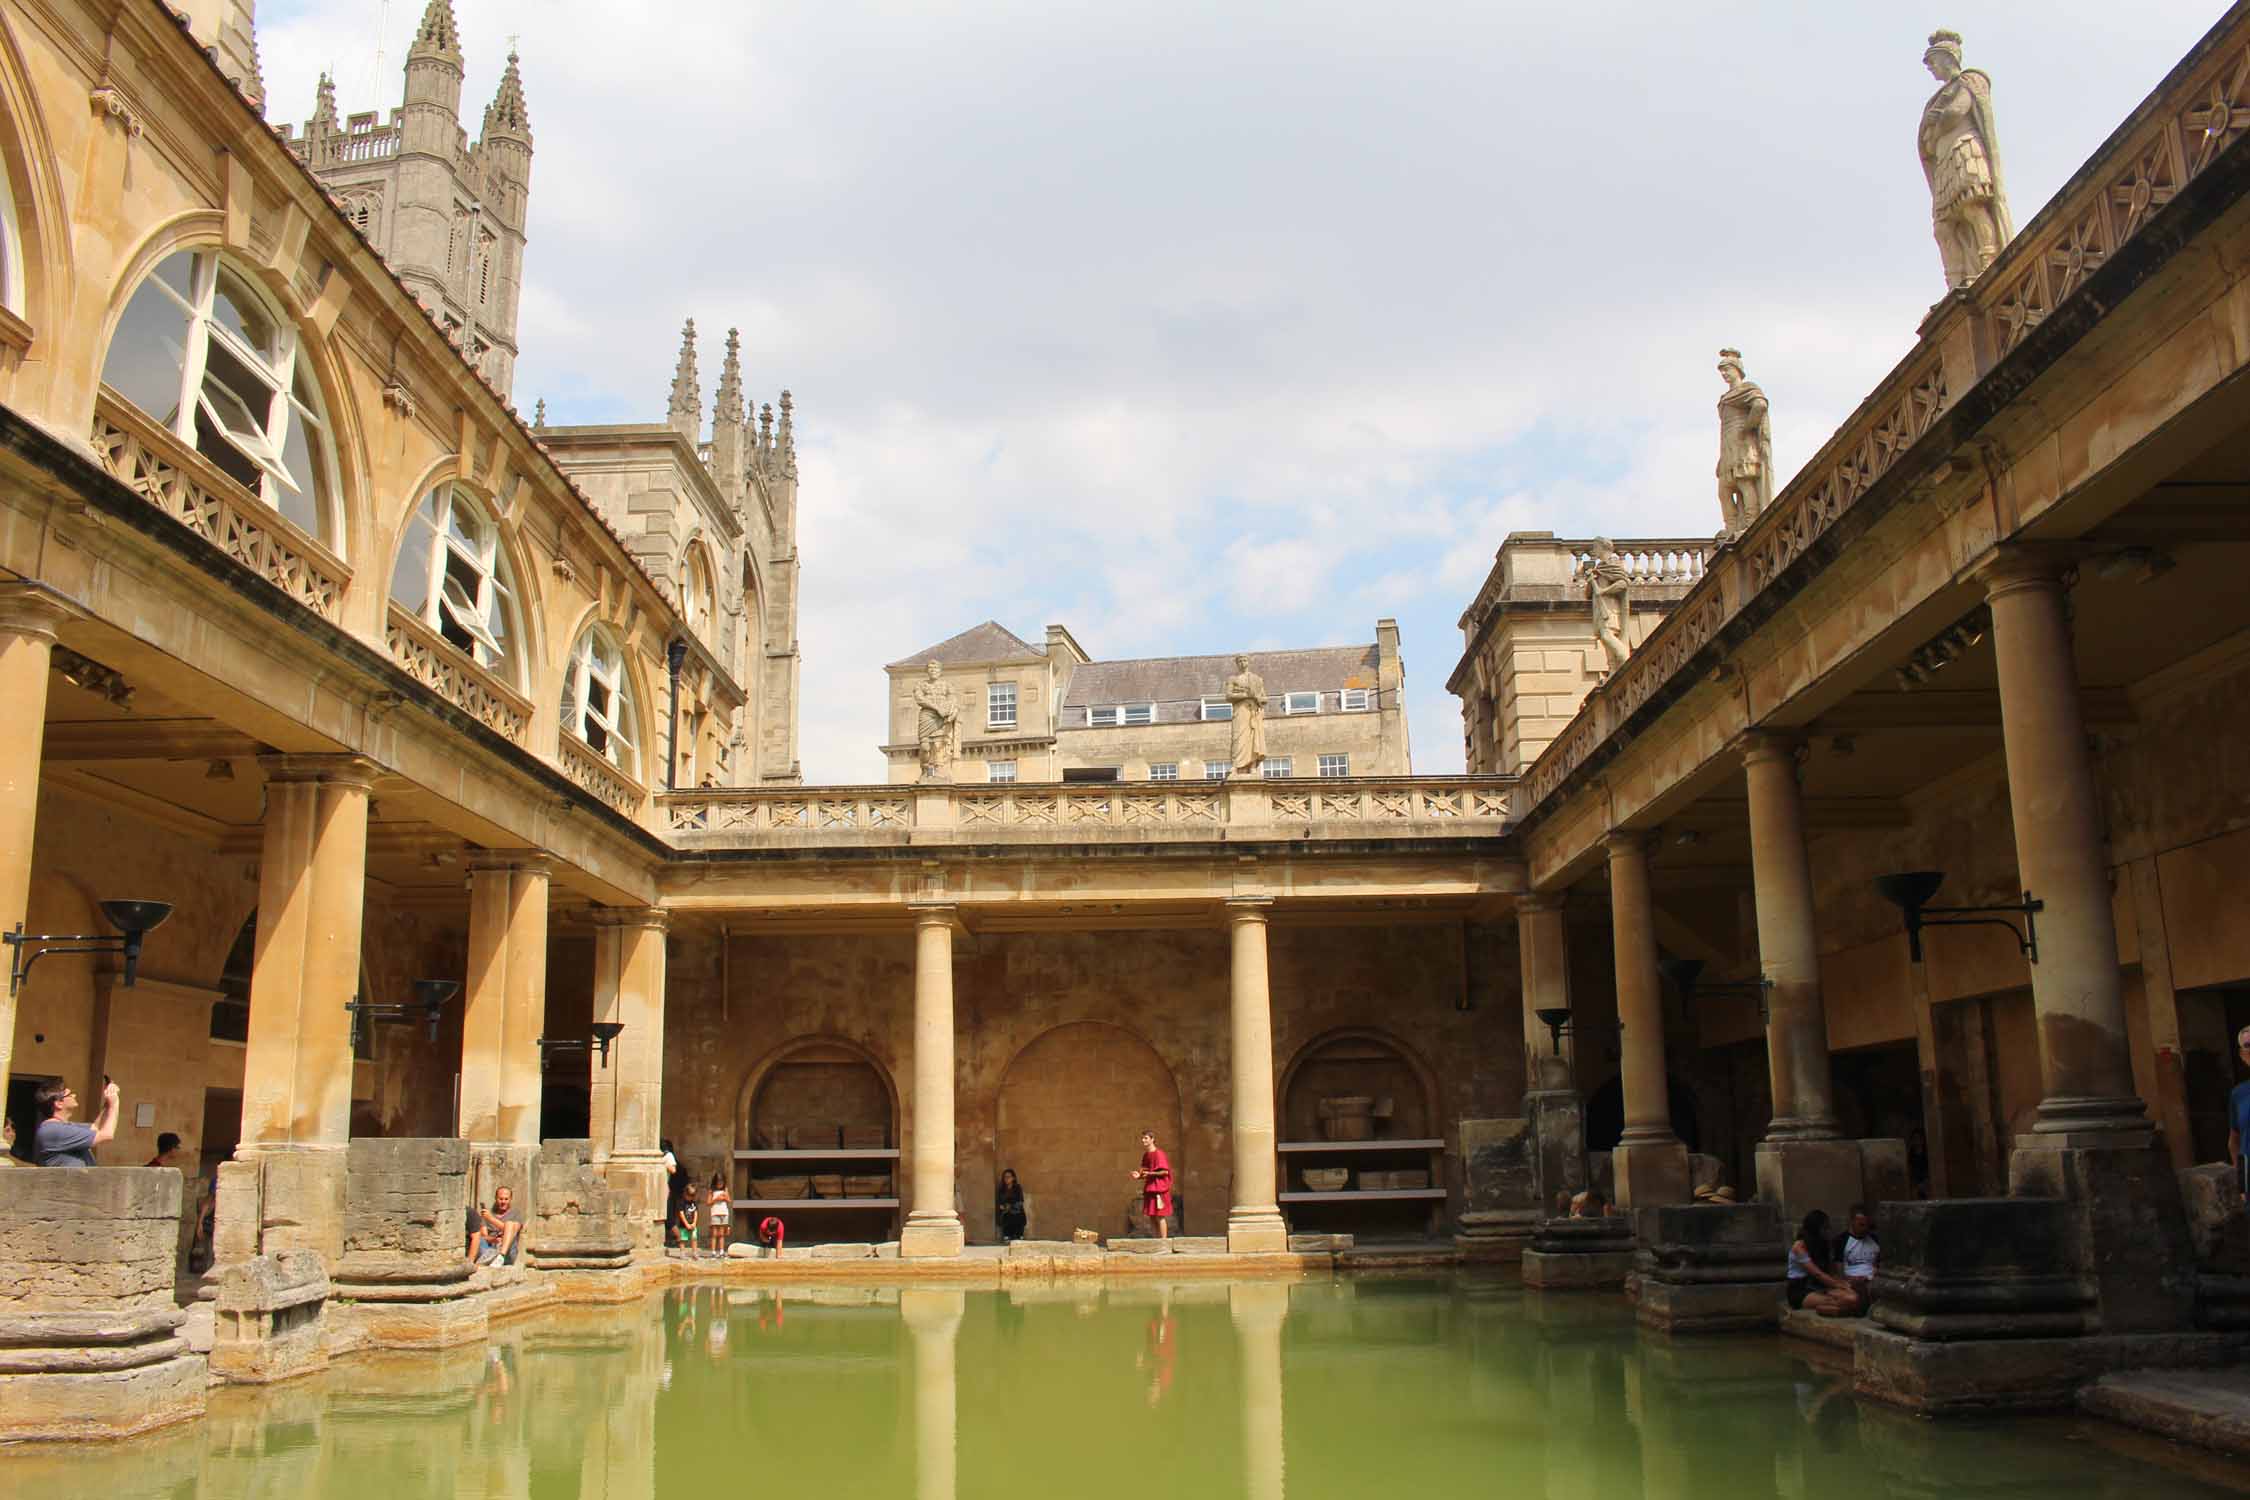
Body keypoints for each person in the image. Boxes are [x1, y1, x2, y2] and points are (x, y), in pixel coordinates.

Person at [1788, 1210, 1860, 1316]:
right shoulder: (1799, 1246)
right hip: (1801, 1290)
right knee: (1847, 1301)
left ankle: (1835, 1309)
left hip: (1821, 1287)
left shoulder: (1824, 1244)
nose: (1828, 1231)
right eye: (1825, 1228)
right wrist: (1839, 1285)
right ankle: (1827, 1309)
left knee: (1853, 1297)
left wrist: (1845, 1284)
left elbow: (1832, 1272)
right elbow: (1817, 1274)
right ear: (1815, 1229)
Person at [33, 1078, 118, 1167]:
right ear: (58, 1103)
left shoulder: (64, 1127)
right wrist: (114, 1103)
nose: (74, 1095)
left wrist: (109, 1101)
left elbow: (96, 1127)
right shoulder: (52, 1130)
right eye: (70, 1094)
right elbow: (107, 1135)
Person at [465, 1184, 523, 1268]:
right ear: (496, 1199)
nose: (503, 1202)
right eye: (500, 1199)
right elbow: (483, 1236)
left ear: (510, 1199)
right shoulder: (487, 1214)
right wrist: (493, 1239)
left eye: (506, 1199)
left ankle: (501, 1257)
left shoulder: (515, 1214)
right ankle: (489, 1258)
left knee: (509, 1224)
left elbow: (514, 1230)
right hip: (489, 1250)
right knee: (477, 1237)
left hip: (507, 1251)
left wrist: (491, 1219)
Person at [1130, 1130, 1172, 1242]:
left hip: (1159, 1189)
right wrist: (1138, 1176)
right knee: (1152, 1215)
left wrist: (1150, 1174)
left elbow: (1165, 1172)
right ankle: (1156, 1240)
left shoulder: (1159, 1154)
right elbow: (1144, 1172)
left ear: (1152, 1139)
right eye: (1143, 1138)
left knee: (1160, 1215)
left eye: (1146, 1138)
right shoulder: (1146, 1155)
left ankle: (1164, 1241)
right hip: (1150, 1189)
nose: (1143, 1140)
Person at [1841, 1204, 1879, 1310]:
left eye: (1867, 1225)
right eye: (1861, 1225)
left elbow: (1878, 1264)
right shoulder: (1841, 1240)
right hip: (1851, 1282)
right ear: (1852, 1221)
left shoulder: (1875, 1240)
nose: (1865, 1228)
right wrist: (1851, 1279)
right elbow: (1837, 1270)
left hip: (1872, 1279)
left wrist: (1873, 1275)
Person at [2229, 1026, 2250, 1200]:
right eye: (2248, 1045)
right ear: (2243, 1056)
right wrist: (2241, 1183)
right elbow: (2234, 1142)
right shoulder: (2238, 1094)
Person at [996, 1167, 1028, 1242]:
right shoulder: (1002, 1189)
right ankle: (1007, 1236)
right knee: (1006, 1216)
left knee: (1018, 1216)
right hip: (1006, 1211)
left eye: (1008, 1177)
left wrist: (1011, 1206)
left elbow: (1020, 1200)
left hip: (1016, 1210)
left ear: (1013, 1178)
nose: (1006, 1179)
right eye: (1005, 1177)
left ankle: (1019, 1236)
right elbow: (1000, 1202)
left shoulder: (1017, 1187)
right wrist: (1005, 1206)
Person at [706, 1171, 731, 1257]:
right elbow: (708, 1202)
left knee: (721, 1234)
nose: (720, 1184)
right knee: (714, 1234)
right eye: (718, 1182)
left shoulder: (725, 1189)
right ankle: (713, 1251)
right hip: (715, 1213)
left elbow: (729, 1200)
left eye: (721, 1182)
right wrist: (716, 1199)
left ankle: (721, 1251)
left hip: (724, 1213)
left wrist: (724, 1196)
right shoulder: (712, 1190)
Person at [677, 1181, 700, 1252]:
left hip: (693, 1224)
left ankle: (694, 1253)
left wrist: (694, 1223)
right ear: (685, 1193)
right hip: (683, 1225)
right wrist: (686, 1224)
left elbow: (696, 1212)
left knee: (694, 1238)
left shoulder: (694, 1203)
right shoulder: (681, 1202)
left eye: (693, 1195)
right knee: (682, 1239)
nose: (691, 1197)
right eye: (689, 1195)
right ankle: (682, 1253)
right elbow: (681, 1214)